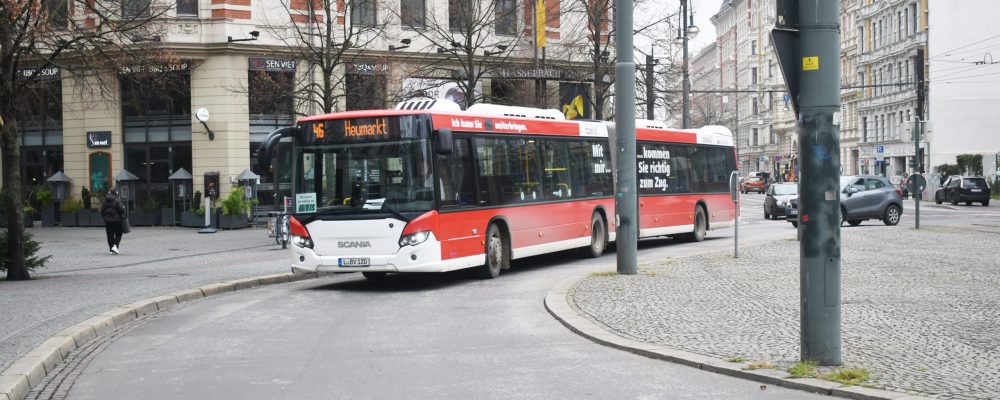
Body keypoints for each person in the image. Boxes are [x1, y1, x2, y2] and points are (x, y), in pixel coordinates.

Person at [101, 190, 126, 255]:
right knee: (119, 233)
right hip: (117, 221)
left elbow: (102, 211)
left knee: (109, 235)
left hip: (107, 221)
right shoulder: (117, 201)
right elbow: (121, 210)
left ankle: (111, 249)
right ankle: (115, 246)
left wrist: (105, 218)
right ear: (115, 194)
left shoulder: (105, 202)